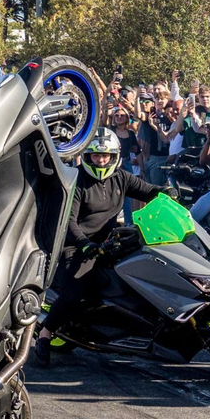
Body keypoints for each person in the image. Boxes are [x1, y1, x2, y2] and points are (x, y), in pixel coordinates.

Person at [33, 128, 167, 365]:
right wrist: (85, 243)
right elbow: (69, 222)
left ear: (114, 156)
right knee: (75, 293)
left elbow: (148, 191)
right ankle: (45, 334)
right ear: (87, 156)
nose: (101, 160)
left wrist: (167, 194)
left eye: (105, 156)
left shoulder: (122, 177)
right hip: (78, 245)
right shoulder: (77, 181)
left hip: (110, 242)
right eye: (96, 155)